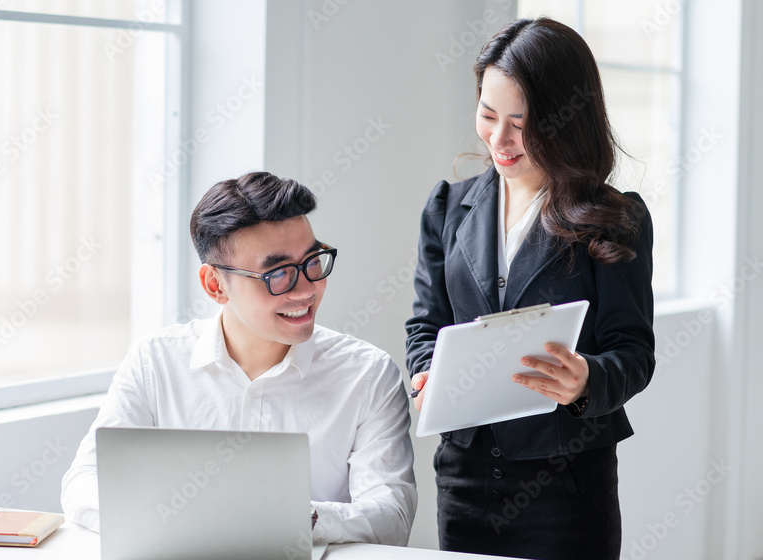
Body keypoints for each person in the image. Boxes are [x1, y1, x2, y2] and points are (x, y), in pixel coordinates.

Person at [405, 18, 654, 560]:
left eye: (521, 123)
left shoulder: (616, 218)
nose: (499, 139)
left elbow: (634, 353)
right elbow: (426, 325)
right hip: (465, 477)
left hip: (566, 488)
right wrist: (426, 373)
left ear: (567, 120)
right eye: (488, 115)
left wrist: (587, 379)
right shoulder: (448, 207)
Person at [62, 171, 417, 545]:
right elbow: (84, 482)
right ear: (215, 285)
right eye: (278, 274)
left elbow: (392, 516)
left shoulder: (367, 374)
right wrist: (190, 518)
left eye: (313, 261)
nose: (306, 289)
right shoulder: (155, 362)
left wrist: (300, 518)